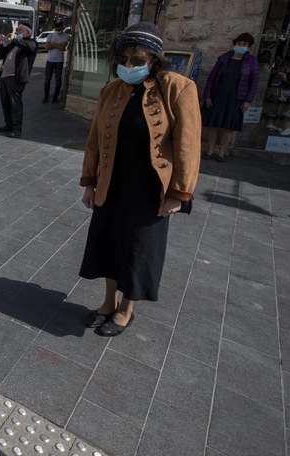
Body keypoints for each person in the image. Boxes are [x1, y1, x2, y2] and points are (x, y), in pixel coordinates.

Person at [79, 22, 201, 337]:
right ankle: (107, 302)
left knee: (137, 250)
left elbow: (188, 145)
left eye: (137, 60)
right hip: (112, 180)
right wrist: (89, 182)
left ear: (154, 60)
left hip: (149, 188)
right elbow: (95, 138)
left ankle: (126, 310)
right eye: (123, 59)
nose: (129, 66)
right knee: (108, 243)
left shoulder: (178, 88)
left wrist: (179, 193)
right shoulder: (111, 90)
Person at [202, 33, 259, 162]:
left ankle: (221, 153)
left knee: (228, 127)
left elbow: (254, 82)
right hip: (218, 96)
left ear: (248, 46)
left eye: (244, 44)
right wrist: (207, 96)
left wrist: (247, 100)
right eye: (239, 43)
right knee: (213, 125)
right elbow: (211, 78)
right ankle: (210, 150)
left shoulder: (251, 62)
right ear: (235, 44)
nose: (241, 46)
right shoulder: (223, 59)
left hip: (236, 98)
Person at [0, 20, 38, 138]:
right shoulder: (14, 44)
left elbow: (27, 47)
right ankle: (8, 124)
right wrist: (0, 43)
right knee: (5, 102)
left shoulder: (31, 43)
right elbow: (2, 53)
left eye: (20, 30)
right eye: (17, 30)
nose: (17, 32)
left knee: (15, 104)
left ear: (27, 33)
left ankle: (16, 128)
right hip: (4, 76)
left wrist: (15, 39)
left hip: (15, 78)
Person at [43, 19, 70, 103]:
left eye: (59, 28)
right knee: (47, 79)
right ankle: (46, 96)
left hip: (59, 60)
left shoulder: (66, 36)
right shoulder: (50, 36)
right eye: (56, 28)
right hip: (50, 60)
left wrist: (53, 44)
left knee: (58, 80)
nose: (57, 30)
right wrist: (58, 45)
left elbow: (63, 47)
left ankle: (55, 97)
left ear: (62, 27)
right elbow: (47, 47)